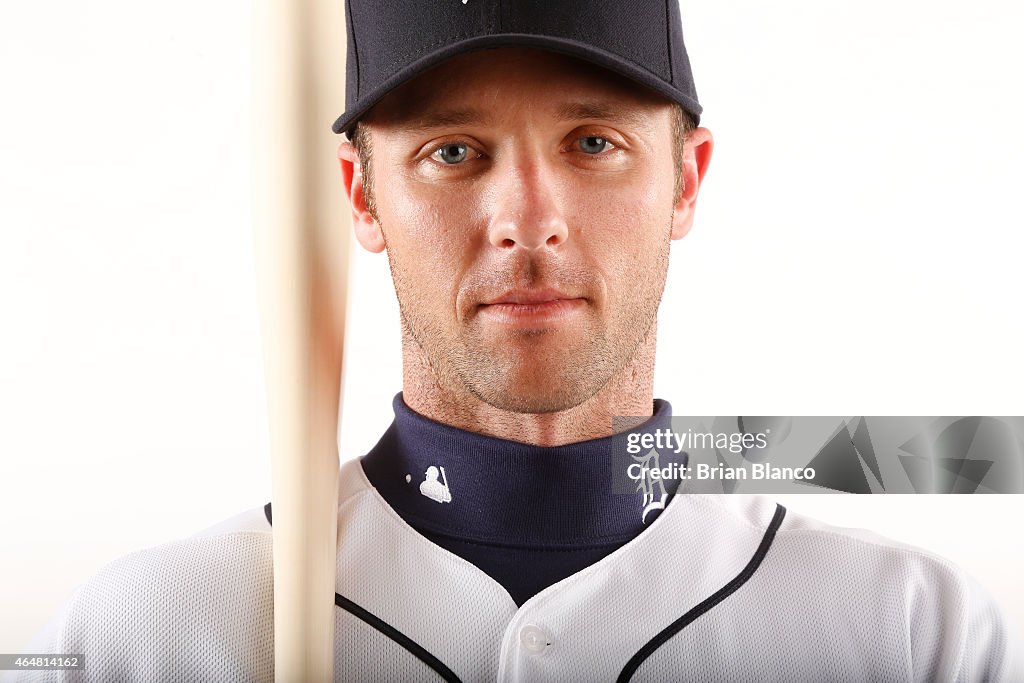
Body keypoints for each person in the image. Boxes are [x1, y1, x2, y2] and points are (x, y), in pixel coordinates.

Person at [12, 1, 1023, 681]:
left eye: (594, 144)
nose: (525, 218)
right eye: (453, 151)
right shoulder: (149, 635)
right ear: (361, 196)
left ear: (687, 178)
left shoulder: (913, 634)